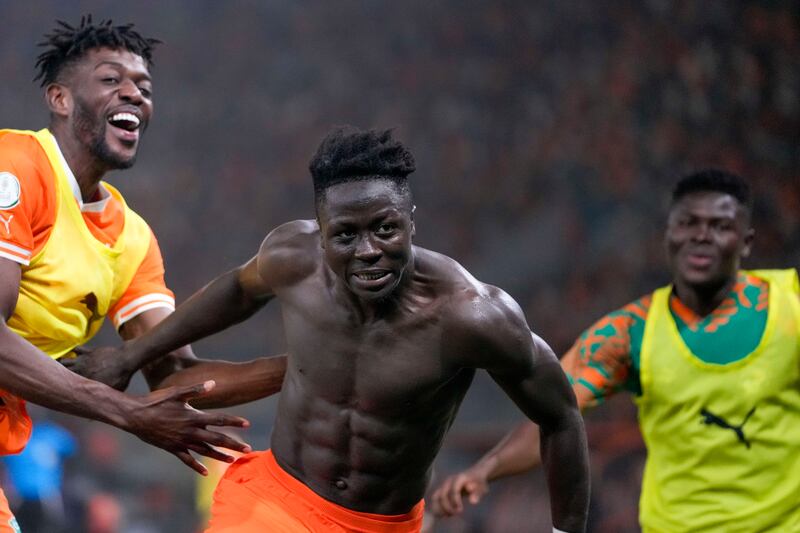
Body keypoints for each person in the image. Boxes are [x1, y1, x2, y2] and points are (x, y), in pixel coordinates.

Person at [76, 126, 591, 533]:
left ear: (412, 221)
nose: (368, 251)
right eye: (345, 235)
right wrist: (131, 356)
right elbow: (236, 290)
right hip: (275, 500)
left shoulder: (473, 316)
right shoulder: (292, 260)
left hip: (382, 523)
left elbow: (562, 417)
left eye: (385, 229)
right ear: (320, 233)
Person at [0, 15, 287, 531]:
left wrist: (315, 364)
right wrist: (126, 413)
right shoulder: (16, 166)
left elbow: (175, 375)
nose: (133, 94)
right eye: (112, 80)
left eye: (144, 88)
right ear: (60, 99)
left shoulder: (133, 239)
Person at [431, 169, 800, 532]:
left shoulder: (792, 304)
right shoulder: (629, 332)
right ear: (668, 233)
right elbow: (555, 414)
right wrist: (485, 470)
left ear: (747, 241)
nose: (701, 236)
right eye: (688, 223)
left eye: (720, 226)